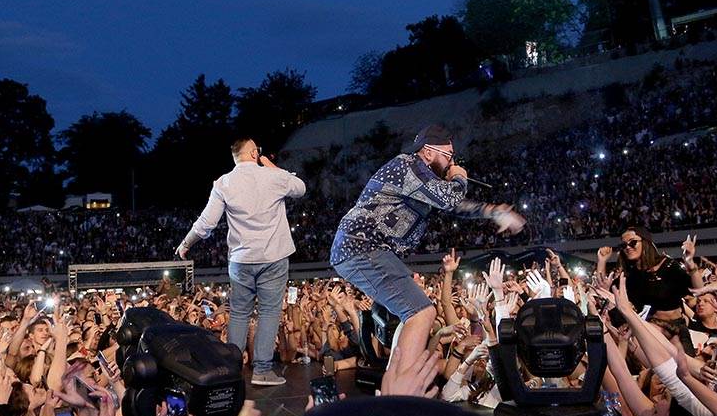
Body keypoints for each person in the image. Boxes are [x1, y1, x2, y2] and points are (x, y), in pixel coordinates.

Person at [330, 124, 524, 368]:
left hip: (365, 250)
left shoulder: (421, 179)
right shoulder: (408, 165)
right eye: (448, 156)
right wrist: (459, 176)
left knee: (411, 315)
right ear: (428, 152)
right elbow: (450, 197)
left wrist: (493, 212)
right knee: (422, 313)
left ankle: (395, 382)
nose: (451, 163)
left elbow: (453, 206)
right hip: (364, 248)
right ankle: (402, 388)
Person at [176, 138, 306, 386]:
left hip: (241, 260)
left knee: (239, 314)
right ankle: (263, 371)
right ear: (254, 153)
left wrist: (186, 244)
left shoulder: (223, 183)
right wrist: (272, 167)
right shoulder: (273, 176)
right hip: (273, 257)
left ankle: (231, 371)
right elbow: (300, 188)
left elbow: (206, 223)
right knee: (268, 312)